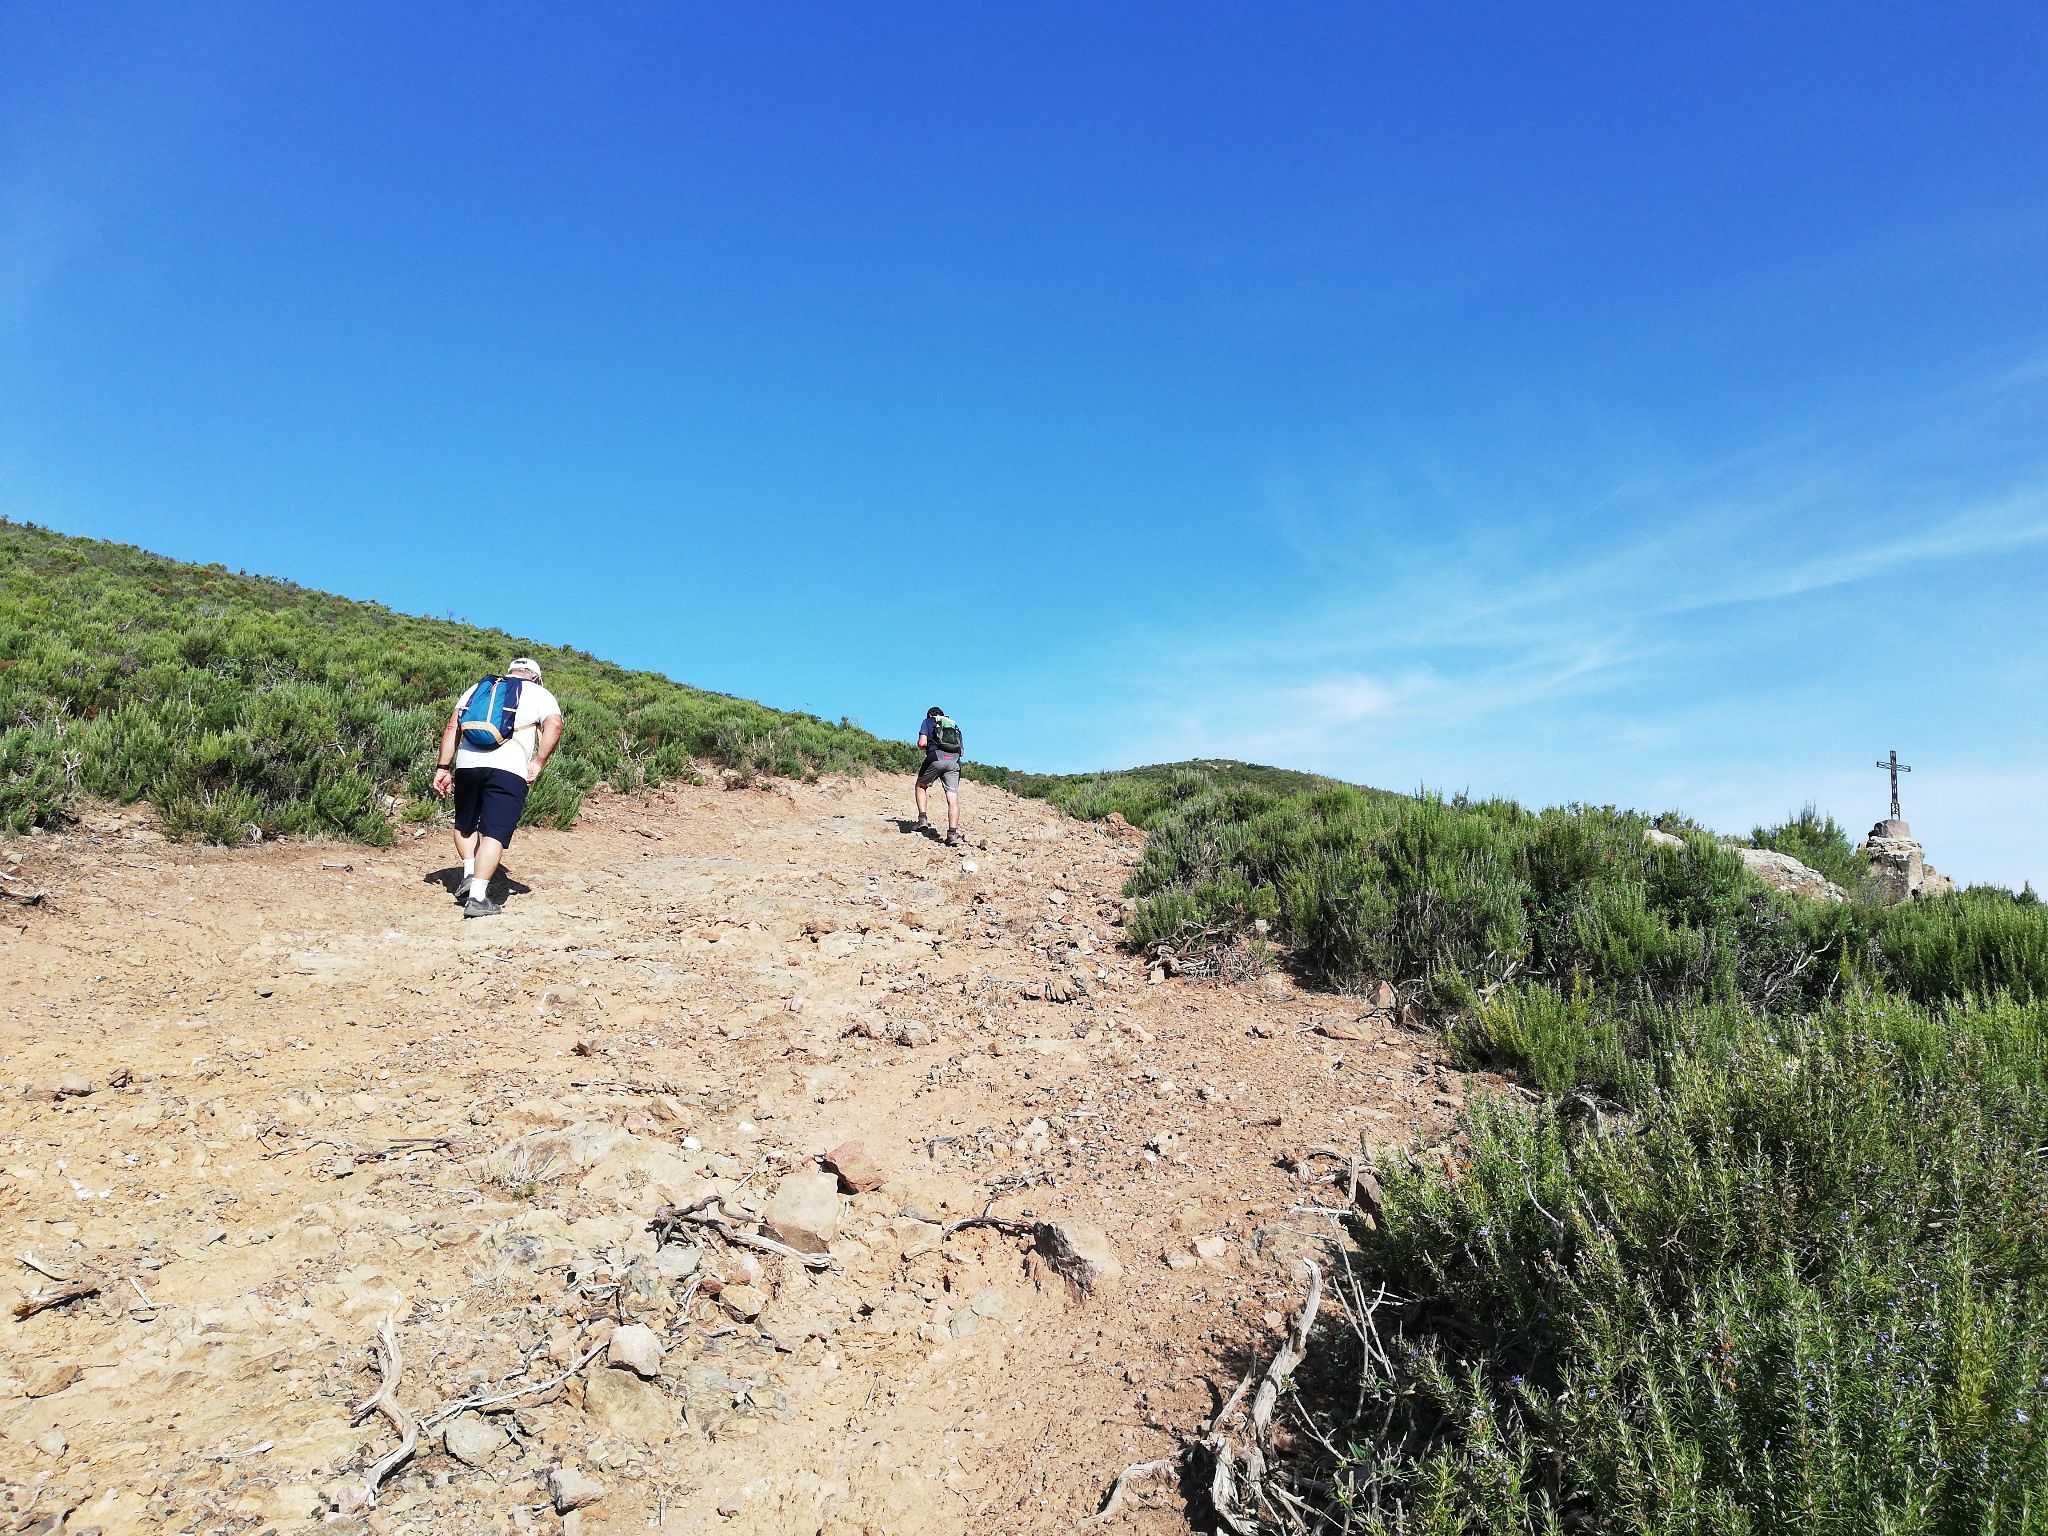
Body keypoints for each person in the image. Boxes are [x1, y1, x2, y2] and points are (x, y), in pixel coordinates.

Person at [430, 658, 565, 917]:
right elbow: (555, 725)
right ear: (535, 677)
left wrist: (443, 767)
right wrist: (538, 762)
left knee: (465, 823)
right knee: (494, 832)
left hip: (467, 766)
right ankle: (478, 897)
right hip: (508, 768)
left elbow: (451, 727)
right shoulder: (539, 693)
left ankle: (469, 873)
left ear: (511, 672)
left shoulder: (478, 688)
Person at [913, 705, 965, 846]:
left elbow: (922, 743)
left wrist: (927, 746)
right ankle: (952, 834)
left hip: (935, 757)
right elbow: (961, 751)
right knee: (952, 798)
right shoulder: (953, 725)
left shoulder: (928, 721)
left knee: (920, 785)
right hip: (954, 761)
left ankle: (922, 819)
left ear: (930, 715)